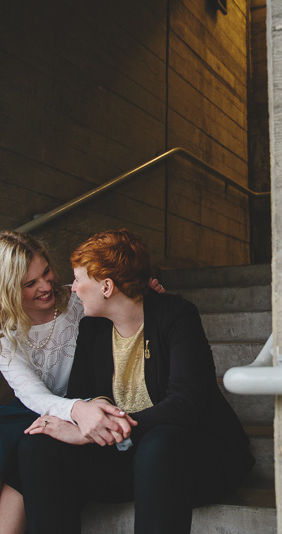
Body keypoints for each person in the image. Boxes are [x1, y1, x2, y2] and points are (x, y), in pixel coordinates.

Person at [19, 228, 255, 534]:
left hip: (187, 459)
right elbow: (83, 393)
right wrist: (92, 414)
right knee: (37, 446)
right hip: (125, 457)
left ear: (106, 286)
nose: (73, 289)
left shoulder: (177, 316)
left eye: (78, 279)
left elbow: (186, 405)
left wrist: (95, 432)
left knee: (159, 444)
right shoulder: (92, 328)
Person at [0, 230, 164, 534]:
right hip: (41, 404)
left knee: (26, 443)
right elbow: (31, 393)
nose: (45, 285)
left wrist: (145, 291)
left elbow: (119, 298)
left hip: (89, 401)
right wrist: (74, 410)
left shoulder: (79, 300)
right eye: (30, 283)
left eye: (46, 271)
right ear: (5, 290)